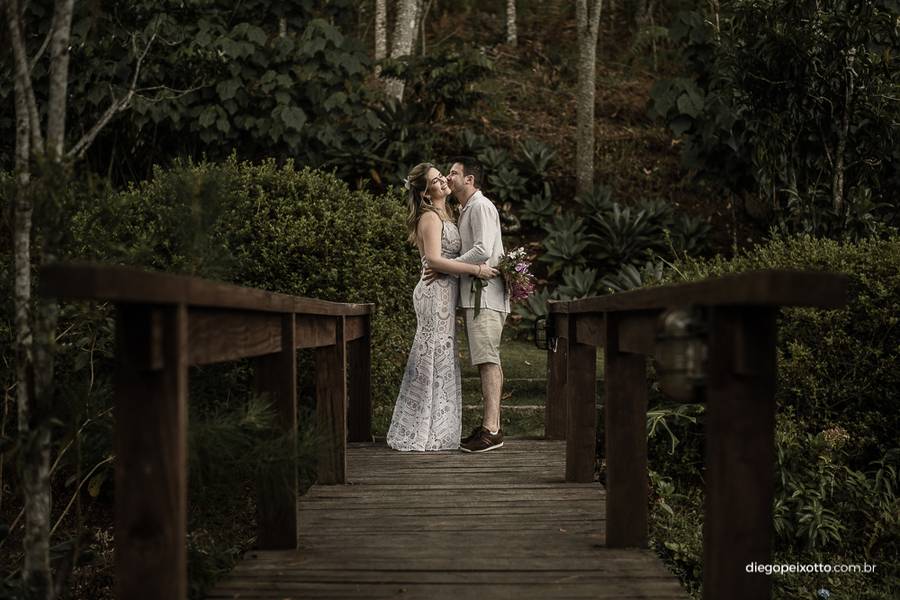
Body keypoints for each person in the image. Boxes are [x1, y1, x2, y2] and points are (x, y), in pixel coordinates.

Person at [386, 162, 497, 451]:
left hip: (446, 293)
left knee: (442, 355)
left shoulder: (448, 214)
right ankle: (418, 428)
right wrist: (476, 271)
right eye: (436, 180)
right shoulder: (429, 218)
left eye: (442, 176)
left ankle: (439, 429)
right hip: (433, 292)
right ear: (425, 194)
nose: (444, 181)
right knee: (431, 354)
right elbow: (434, 261)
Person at [435, 156, 510, 453]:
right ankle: (489, 425)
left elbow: (482, 250)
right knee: (483, 359)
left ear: (470, 179)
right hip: (477, 296)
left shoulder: (480, 206)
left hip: (487, 296)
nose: (449, 177)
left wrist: (446, 265)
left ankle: (492, 430)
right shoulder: (467, 209)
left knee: (488, 359)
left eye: (454, 173)